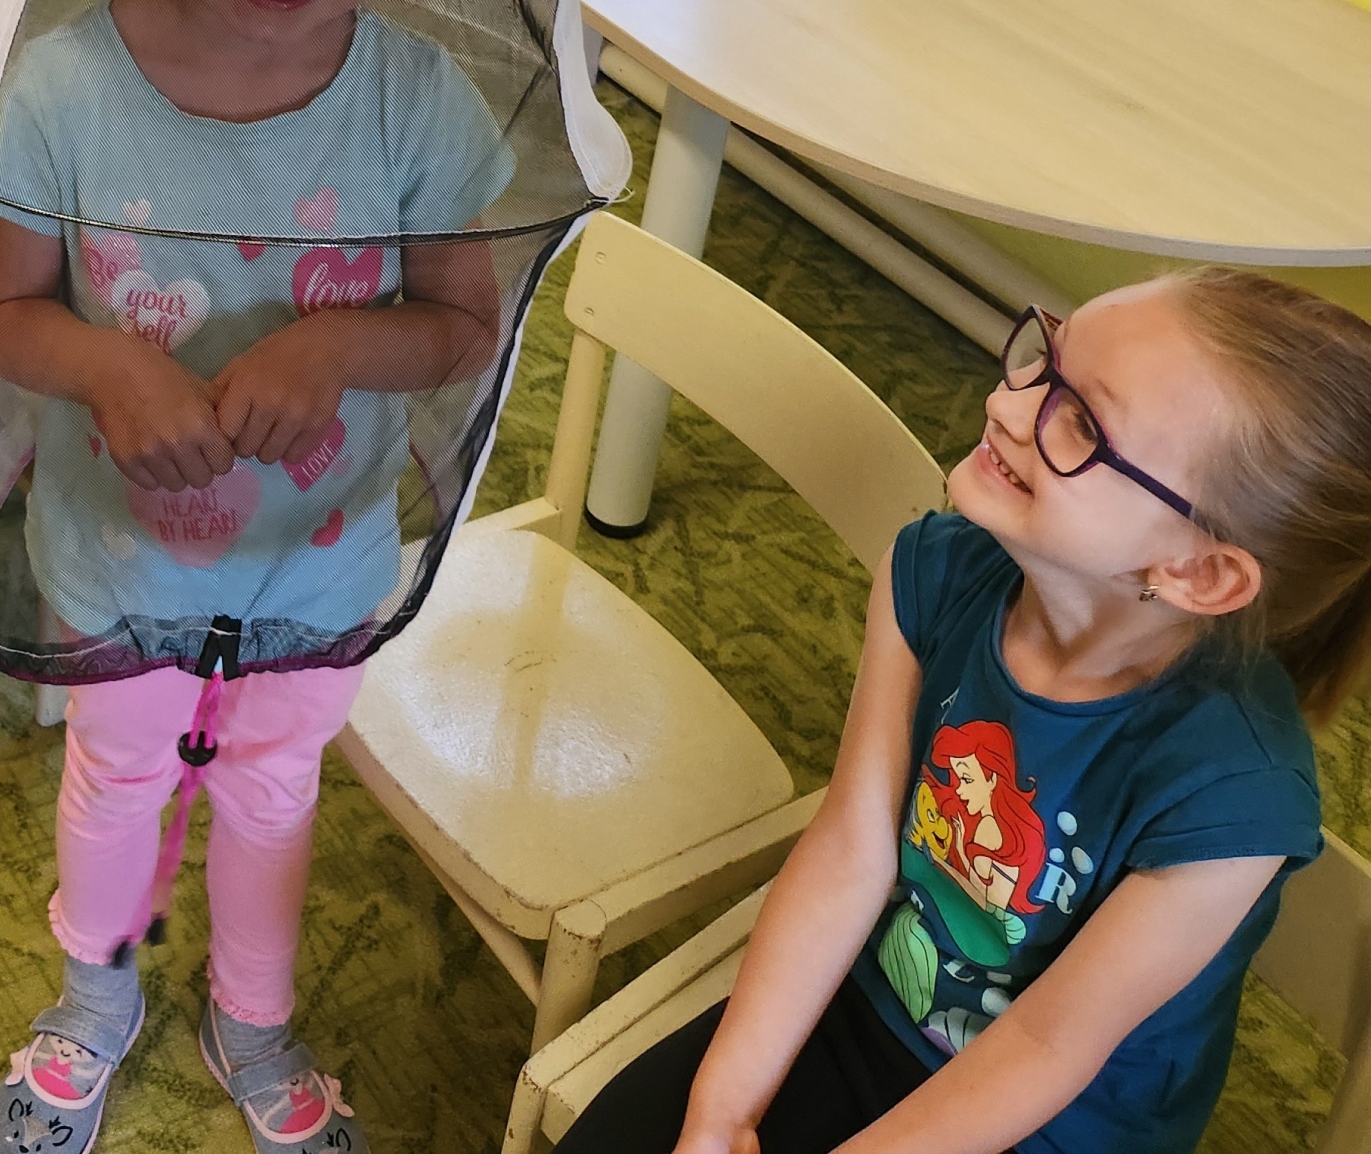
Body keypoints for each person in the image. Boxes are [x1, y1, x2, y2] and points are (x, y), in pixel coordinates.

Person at [0, 0, 529, 1153]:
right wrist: (108, 364)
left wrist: (335, 347)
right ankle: (93, 990)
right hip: (119, 549)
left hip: (320, 555)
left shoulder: (416, 102)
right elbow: (5, 315)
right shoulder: (63, 87)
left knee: (277, 785)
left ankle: (253, 1012)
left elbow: (459, 324)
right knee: (119, 768)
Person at [556, 272, 1371, 1154]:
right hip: (873, 1000)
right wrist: (721, 1112)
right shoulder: (934, 573)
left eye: (1081, 423)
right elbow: (848, 855)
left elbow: (1046, 1046)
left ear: (1198, 572)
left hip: (1055, 1125)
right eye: (1046, 358)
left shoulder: (1233, 797)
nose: (1008, 403)